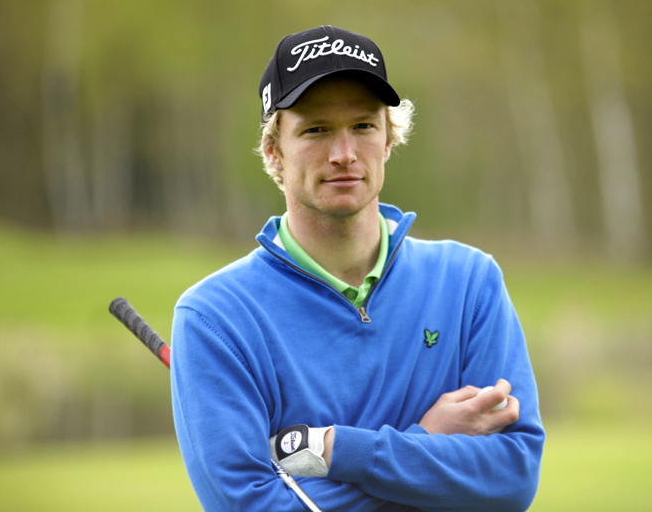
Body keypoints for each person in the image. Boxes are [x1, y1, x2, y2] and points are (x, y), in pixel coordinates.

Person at [171, 26, 545, 512]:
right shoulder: (214, 319)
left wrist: (335, 450)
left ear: (389, 139)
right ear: (273, 151)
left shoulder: (469, 281)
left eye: (364, 126)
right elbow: (250, 506)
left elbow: (511, 478)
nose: (344, 153)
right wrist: (428, 439)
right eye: (316, 129)